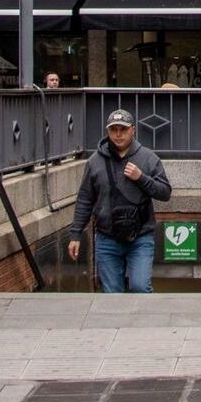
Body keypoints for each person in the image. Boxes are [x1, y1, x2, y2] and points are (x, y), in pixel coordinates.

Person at [63, 109, 173, 293]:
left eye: (123, 129)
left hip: (141, 236)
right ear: (108, 131)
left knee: (140, 287)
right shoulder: (94, 162)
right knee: (112, 292)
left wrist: (141, 178)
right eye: (114, 129)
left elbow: (165, 192)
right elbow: (85, 199)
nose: (118, 134)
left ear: (133, 130)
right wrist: (75, 235)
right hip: (107, 237)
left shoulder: (148, 158)